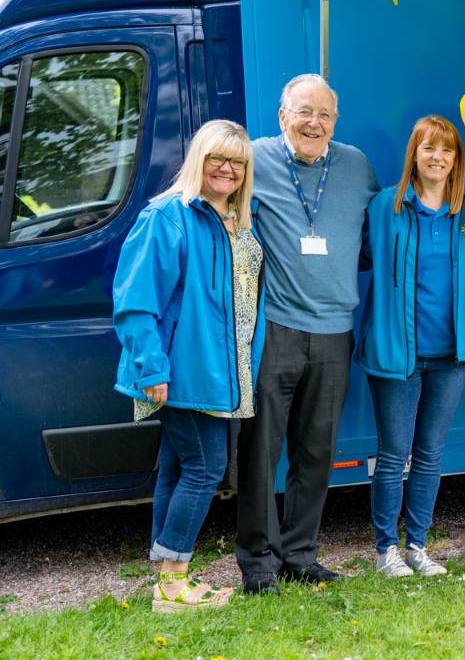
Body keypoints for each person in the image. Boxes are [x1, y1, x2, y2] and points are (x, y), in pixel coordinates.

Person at [235, 74, 379, 594]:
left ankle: (300, 554)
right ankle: (257, 563)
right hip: (274, 328)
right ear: (281, 116)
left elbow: (375, 232)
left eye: (324, 114)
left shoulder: (357, 165)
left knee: (317, 453)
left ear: (335, 121)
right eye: (303, 112)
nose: (313, 123)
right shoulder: (254, 159)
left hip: (336, 330)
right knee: (261, 451)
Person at [112, 119, 264, 612]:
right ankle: (174, 585)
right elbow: (136, 301)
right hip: (185, 372)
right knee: (204, 470)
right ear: (199, 159)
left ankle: (169, 580)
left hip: (224, 371)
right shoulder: (168, 216)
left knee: (178, 470)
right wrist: (151, 368)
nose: (227, 169)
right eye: (218, 158)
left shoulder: (235, 221)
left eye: (238, 162)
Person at [359, 116, 465, 576]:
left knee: (430, 454)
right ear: (414, 153)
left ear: (457, 161)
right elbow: (354, 259)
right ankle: (386, 551)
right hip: (396, 353)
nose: (437, 157)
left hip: (451, 353)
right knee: (394, 454)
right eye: (429, 148)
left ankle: (418, 547)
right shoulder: (382, 208)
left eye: (447, 151)